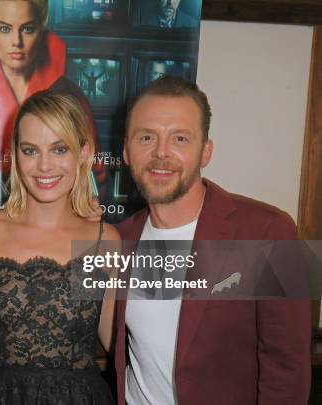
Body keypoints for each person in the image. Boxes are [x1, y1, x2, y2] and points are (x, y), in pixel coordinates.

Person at [115, 76, 311, 404]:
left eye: (180, 138)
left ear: (205, 151)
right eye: (146, 137)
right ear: (126, 150)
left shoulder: (268, 232)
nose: (161, 152)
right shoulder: (117, 239)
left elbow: (287, 369)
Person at [0, 90, 120, 404]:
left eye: (59, 148)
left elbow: (115, 341)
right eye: (30, 150)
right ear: (15, 154)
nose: (44, 166)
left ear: (83, 153)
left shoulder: (104, 239)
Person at [0, 0, 102, 213]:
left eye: (27, 29)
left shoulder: (70, 95)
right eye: (5, 28)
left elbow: (97, 176)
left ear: (42, 28)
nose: (17, 42)